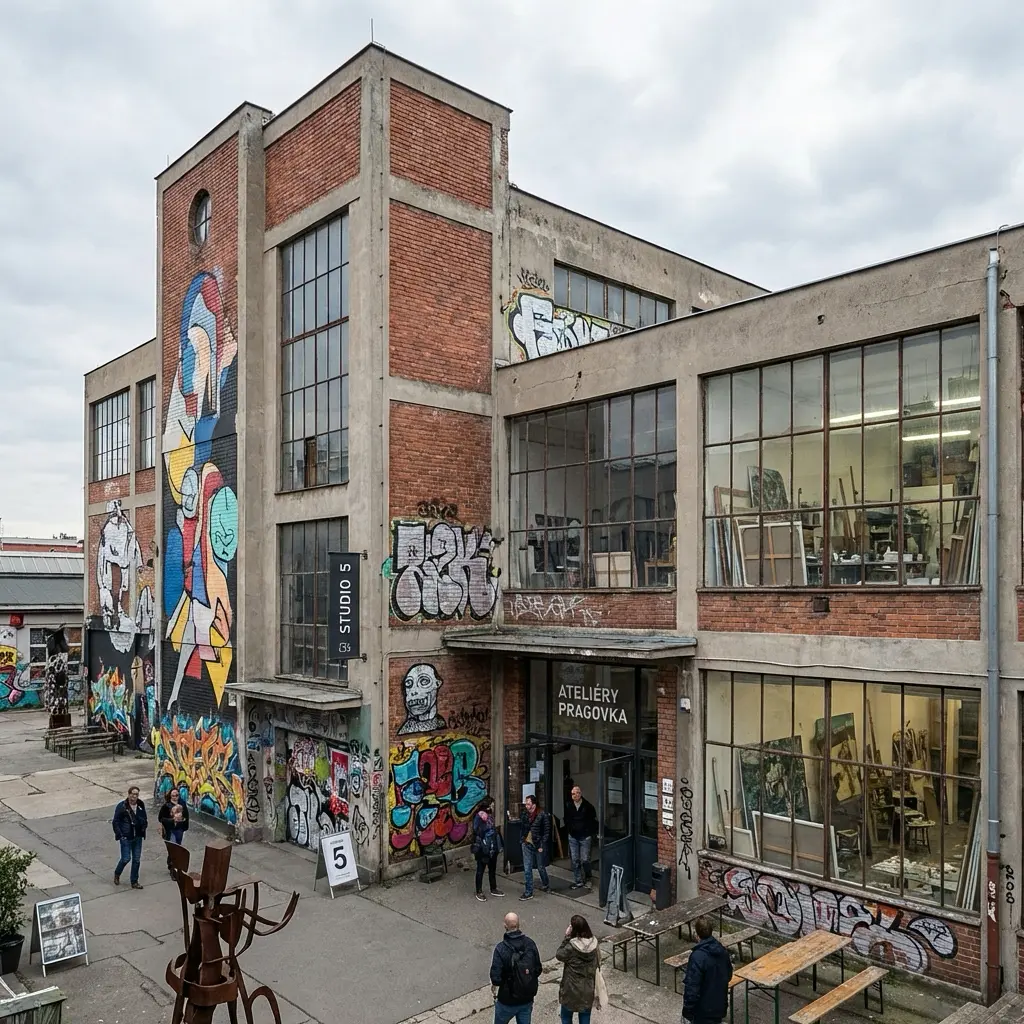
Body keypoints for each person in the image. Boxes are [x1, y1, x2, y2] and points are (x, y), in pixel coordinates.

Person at [489, 911, 541, 1024]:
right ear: (519, 925)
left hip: (507, 999)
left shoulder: (501, 948)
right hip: (527, 997)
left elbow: (496, 978)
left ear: (505, 926)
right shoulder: (530, 944)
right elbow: (538, 969)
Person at [556, 914, 608, 1024]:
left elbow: (559, 955)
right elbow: (598, 962)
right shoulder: (594, 944)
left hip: (571, 989)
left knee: (566, 1017)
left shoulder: (571, 947)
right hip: (587, 989)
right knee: (585, 1017)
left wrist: (566, 937)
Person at [682, 916, 733, 1024]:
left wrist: (687, 1010)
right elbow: (728, 975)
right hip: (719, 1005)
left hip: (702, 1010)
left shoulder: (697, 957)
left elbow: (692, 986)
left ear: (696, 935)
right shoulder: (722, 952)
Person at [113, 785, 148, 889]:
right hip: (126, 837)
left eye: (136, 794)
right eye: (132, 794)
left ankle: (134, 881)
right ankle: (117, 873)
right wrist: (120, 835)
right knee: (126, 858)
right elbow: (115, 821)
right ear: (128, 795)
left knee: (136, 859)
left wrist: (143, 826)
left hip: (137, 836)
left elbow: (144, 818)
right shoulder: (122, 806)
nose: (134, 796)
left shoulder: (140, 805)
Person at [563, 785, 597, 889]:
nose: (575, 795)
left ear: (580, 793)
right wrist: (570, 830)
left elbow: (593, 821)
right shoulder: (568, 805)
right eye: (573, 794)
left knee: (585, 859)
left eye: (577, 793)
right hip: (573, 836)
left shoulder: (588, 806)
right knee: (575, 860)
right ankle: (578, 881)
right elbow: (566, 819)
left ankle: (588, 878)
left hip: (585, 836)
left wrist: (588, 832)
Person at [518, 795, 551, 901]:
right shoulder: (524, 814)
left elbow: (547, 831)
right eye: (526, 804)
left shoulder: (542, 814)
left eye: (528, 803)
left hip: (538, 844)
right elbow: (522, 827)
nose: (526, 806)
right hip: (526, 843)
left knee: (540, 866)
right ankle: (528, 892)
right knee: (527, 868)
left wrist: (542, 844)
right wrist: (522, 839)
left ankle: (546, 883)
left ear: (534, 804)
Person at [473, 798, 505, 902]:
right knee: (480, 870)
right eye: (491, 805)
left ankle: (493, 888)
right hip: (483, 848)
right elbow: (476, 830)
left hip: (492, 847)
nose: (492, 807)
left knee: (492, 869)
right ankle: (479, 891)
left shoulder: (489, 817)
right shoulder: (479, 816)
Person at [158, 787, 190, 876]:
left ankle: (170, 863)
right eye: (173, 795)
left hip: (179, 830)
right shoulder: (166, 806)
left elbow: (186, 815)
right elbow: (161, 818)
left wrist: (184, 827)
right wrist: (172, 821)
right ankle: (173, 870)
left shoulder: (182, 804)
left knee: (177, 849)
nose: (175, 797)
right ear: (170, 796)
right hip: (170, 830)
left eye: (177, 795)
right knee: (174, 849)